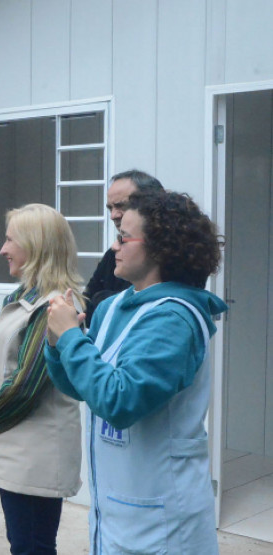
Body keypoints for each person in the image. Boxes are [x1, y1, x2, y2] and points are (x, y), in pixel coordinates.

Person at [46, 190, 226, 554]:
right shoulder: (115, 305)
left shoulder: (174, 317)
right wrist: (56, 344)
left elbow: (120, 401)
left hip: (162, 520)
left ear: (161, 247)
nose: (115, 247)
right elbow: (82, 386)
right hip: (118, 510)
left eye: (123, 238)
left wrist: (70, 338)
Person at [0, 204, 82, 555]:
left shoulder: (55, 307)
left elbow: (24, 386)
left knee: (31, 547)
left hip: (34, 459)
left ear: (36, 246)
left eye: (10, 239)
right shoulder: (20, 298)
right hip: (16, 451)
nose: (2, 249)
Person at [84, 169, 163, 325]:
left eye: (121, 206)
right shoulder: (112, 255)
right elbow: (87, 306)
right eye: (110, 208)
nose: (114, 215)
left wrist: (102, 299)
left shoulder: (173, 256)